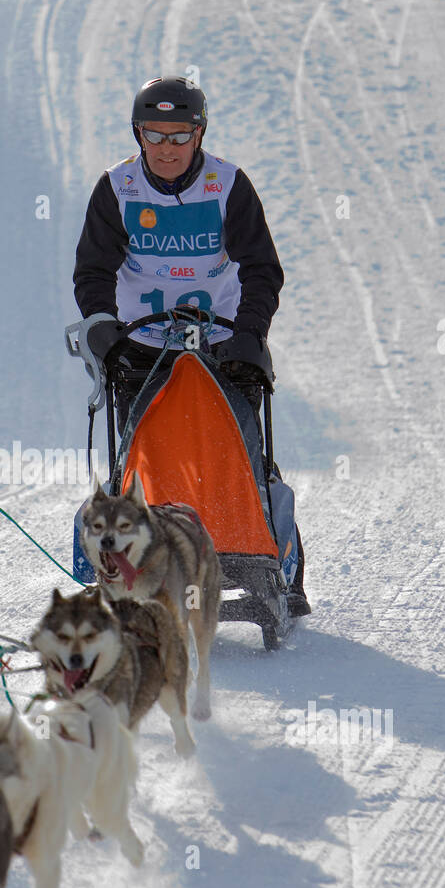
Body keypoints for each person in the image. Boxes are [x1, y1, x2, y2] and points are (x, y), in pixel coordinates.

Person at [73, 75, 310, 616]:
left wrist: (250, 332)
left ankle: (269, 557)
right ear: (138, 134)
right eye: (154, 135)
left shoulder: (228, 185)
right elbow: (93, 270)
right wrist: (103, 324)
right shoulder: (118, 187)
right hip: (142, 347)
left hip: (223, 345)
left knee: (237, 453)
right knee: (145, 460)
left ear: (199, 134)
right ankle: (135, 561)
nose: (167, 148)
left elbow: (261, 269)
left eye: (179, 136)